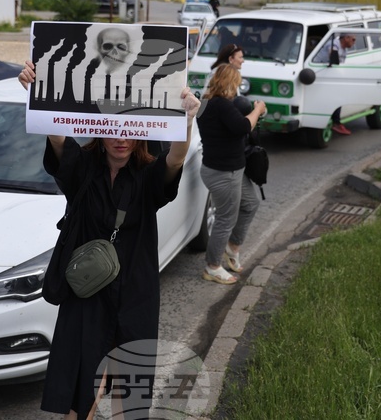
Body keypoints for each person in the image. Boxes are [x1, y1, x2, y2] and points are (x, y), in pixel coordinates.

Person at [17, 59, 200, 419]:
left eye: (129, 130)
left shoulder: (148, 176)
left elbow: (176, 161)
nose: (121, 137)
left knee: (127, 381)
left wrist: (187, 119)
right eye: (113, 128)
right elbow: (56, 137)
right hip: (86, 291)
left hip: (134, 291)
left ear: (141, 133)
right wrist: (38, 91)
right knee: (82, 377)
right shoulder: (83, 170)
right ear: (99, 130)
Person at [197, 64, 267, 284]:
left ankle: (232, 247)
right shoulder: (220, 105)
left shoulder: (207, 103)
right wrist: (258, 110)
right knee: (225, 219)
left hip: (230, 170)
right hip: (223, 173)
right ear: (230, 83)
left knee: (250, 204)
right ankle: (213, 266)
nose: (238, 89)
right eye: (236, 84)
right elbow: (244, 127)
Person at [314, 33, 356, 135]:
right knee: (337, 95)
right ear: (346, 38)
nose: (354, 42)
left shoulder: (344, 50)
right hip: (317, 72)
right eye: (353, 39)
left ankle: (334, 120)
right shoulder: (334, 44)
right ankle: (335, 123)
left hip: (327, 73)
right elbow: (332, 55)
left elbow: (339, 67)